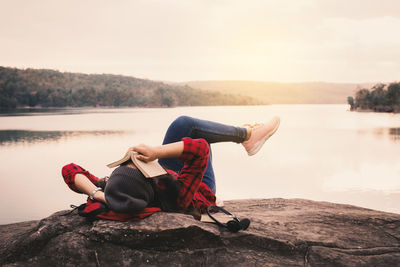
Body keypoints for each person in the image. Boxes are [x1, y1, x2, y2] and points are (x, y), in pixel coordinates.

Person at [61, 115, 280, 221]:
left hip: (159, 180)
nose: (136, 161)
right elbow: (200, 149)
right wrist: (156, 153)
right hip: (196, 186)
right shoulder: (180, 196)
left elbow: (69, 169)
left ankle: (244, 135)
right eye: (139, 166)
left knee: (182, 125)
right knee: (193, 131)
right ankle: (247, 136)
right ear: (149, 179)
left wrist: (101, 195)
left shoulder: (117, 190)